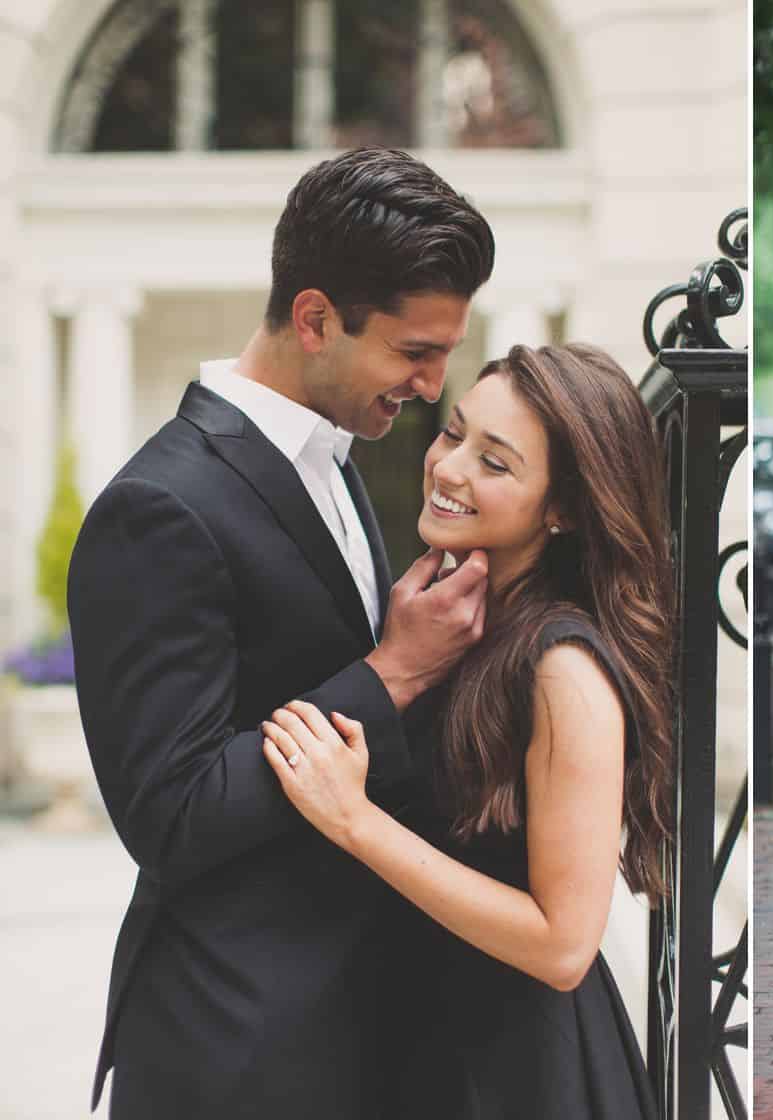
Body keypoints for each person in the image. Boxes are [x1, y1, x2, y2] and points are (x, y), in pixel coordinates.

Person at [68, 147, 496, 1118]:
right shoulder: (156, 508)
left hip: (360, 1024)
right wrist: (386, 675)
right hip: (238, 1045)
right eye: (412, 351)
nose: (432, 384)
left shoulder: (337, 466)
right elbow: (169, 815)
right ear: (313, 319)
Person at [260, 343, 673, 1119]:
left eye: (496, 462)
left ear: (563, 508)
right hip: (422, 1046)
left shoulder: (563, 669)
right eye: (454, 433)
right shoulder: (462, 625)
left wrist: (355, 821)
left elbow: (563, 945)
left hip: (515, 1075)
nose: (449, 468)